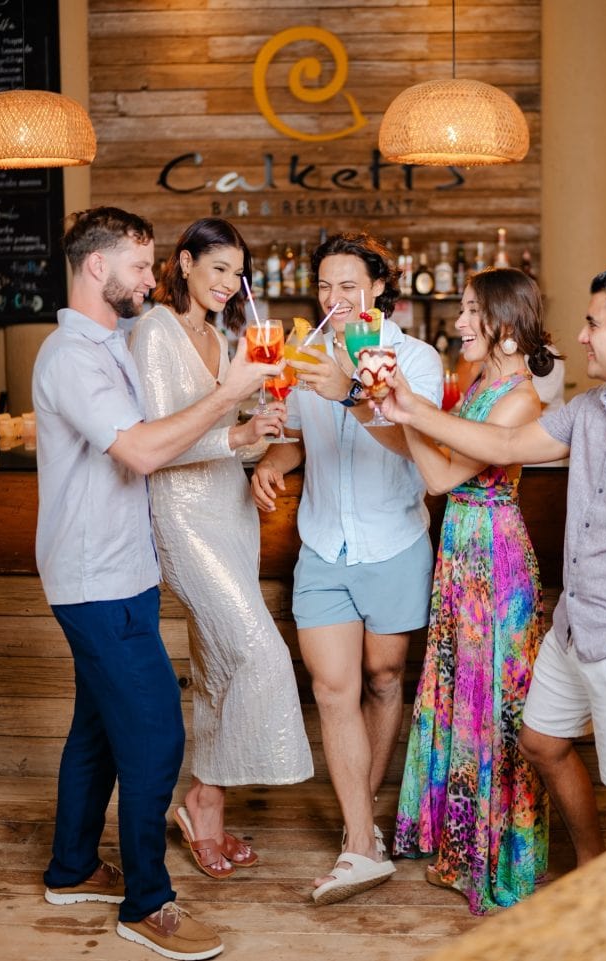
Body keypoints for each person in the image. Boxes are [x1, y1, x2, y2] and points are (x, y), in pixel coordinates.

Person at [378, 265, 606, 865]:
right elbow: (500, 447)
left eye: (593, 323)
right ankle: (596, 873)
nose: (579, 336)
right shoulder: (590, 409)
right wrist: (412, 409)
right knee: (542, 743)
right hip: (573, 632)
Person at [33, 207, 282, 960]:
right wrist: (230, 392)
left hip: (123, 566)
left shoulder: (109, 345)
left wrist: (237, 426)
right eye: (139, 265)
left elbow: (161, 445)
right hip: (94, 575)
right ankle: (148, 902)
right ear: (95, 268)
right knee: (156, 734)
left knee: (99, 730)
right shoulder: (70, 357)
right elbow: (141, 451)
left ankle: (73, 866)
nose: (151, 277)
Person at [250, 232, 444, 904]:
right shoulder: (302, 356)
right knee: (333, 691)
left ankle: (364, 823)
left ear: (378, 290)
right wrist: (272, 466)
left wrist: (348, 394)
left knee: (385, 678)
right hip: (323, 549)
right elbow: (296, 440)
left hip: (394, 543)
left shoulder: (417, 358)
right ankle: (360, 840)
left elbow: (419, 446)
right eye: (325, 286)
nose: (335, 299)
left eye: (349, 286)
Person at [130, 218, 313, 880]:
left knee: (216, 670)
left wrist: (264, 430)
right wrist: (238, 439)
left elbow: (239, 434)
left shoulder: (229, 336)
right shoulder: (155, 332)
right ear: (182, 264)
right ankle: (202, 796)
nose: (230, 283)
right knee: (260, 649)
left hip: (231, 510)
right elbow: (157, 442)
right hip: (182, 514)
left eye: (238, 272)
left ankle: (205, 814)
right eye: (217, 268)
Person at [393, 268, 550, 914]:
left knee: (493, 705)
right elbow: (437, 455)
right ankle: (459, 844)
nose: (458, 323)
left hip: (494, 558)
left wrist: (399, 409)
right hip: (461, 551)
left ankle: (493, 854)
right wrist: (396, 407)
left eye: (468, 312)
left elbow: (435, 472)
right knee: (460, 692)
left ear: (504, 325)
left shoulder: (519, 398)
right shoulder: (479, 380)